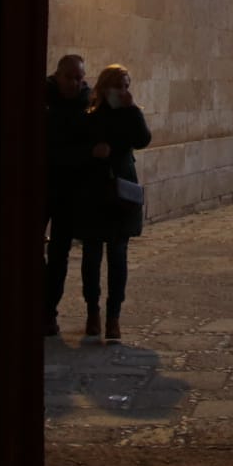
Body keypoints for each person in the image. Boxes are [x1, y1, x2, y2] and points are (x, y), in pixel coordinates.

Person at [77, 63, 152, 343]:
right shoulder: (89, 117)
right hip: (95, 192)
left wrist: (133, 110)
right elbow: (78, 148)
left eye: (126, 86)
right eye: (118, 86)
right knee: (92, 255)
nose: (122, 91)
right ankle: (92, 312)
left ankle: (113, 317)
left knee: (118, 255)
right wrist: (92, 152)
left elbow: (143, 140)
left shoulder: (130, 116)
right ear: (104, 87)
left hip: (122, 193)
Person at [42, 53, 98, 336]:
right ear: (58, 75)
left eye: (80, 78)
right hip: (39, 184)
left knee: (59, 252)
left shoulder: (88, 106)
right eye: (70, 77)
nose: (76, 83)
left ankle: (48, 311)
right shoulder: (43, 98)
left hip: (68, 189)